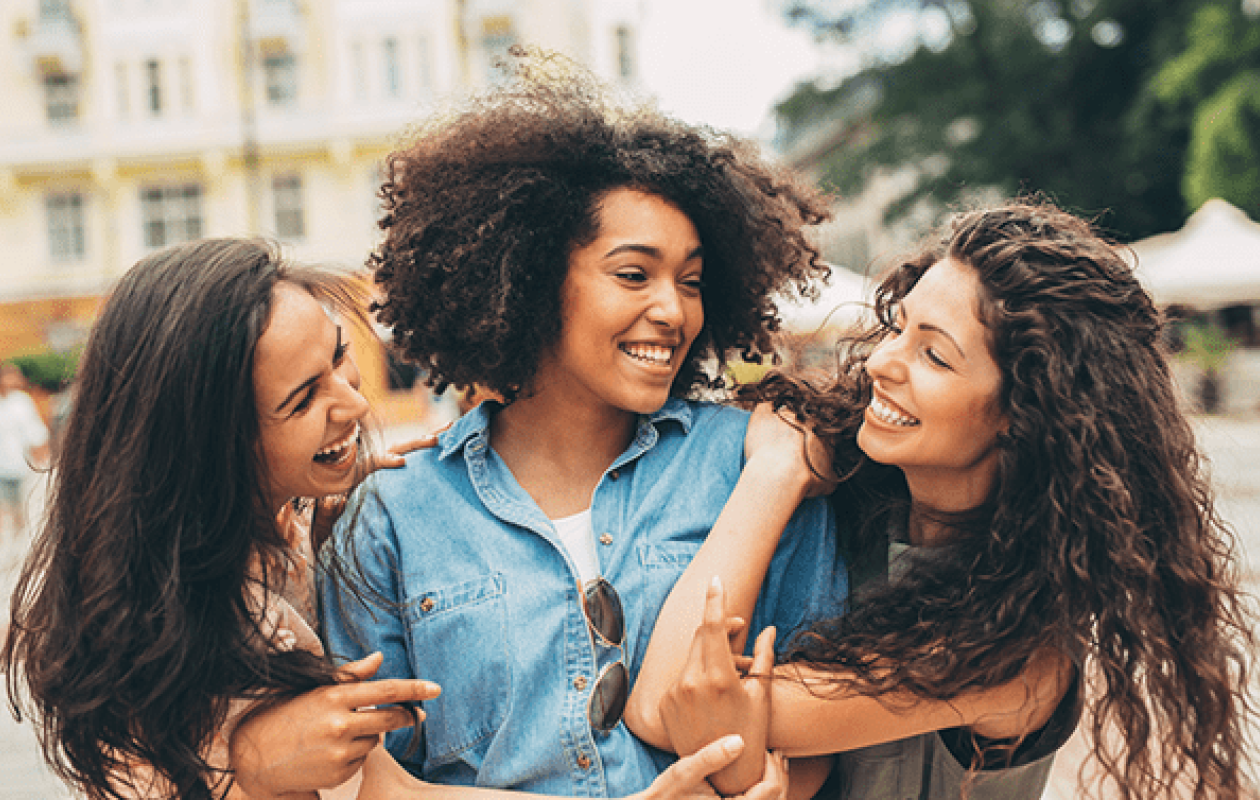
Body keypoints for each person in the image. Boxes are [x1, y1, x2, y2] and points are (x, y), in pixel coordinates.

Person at [2, 239, 787, 800]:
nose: (353, 403)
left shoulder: (285, 530)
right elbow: (388, 790)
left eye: (341, 359)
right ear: (214, 448)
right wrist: (247, 767)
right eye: (303, 400)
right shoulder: (216, 625)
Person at [319, 47, 848, 797]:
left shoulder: (758, 464)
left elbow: (815, 738)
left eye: (691, 281)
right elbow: (371, 780)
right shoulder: (394, 516)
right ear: (530, 276)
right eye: (634, 274)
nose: (672, 310)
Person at [627, 199, 1257, 800]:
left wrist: (773, 475)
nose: (879, 362)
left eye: (933, 355)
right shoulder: (857, 492)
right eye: (898, 327)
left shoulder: (1019, 653)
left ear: (1024, 412)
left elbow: (668, 703)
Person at [0, 361, 50, 538]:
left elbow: (35, 432)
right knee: (4, 511)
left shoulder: (22, 402)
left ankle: (17, 546)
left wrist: (42, 456)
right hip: (1, 468)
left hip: (20, 466)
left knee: (21, 510)